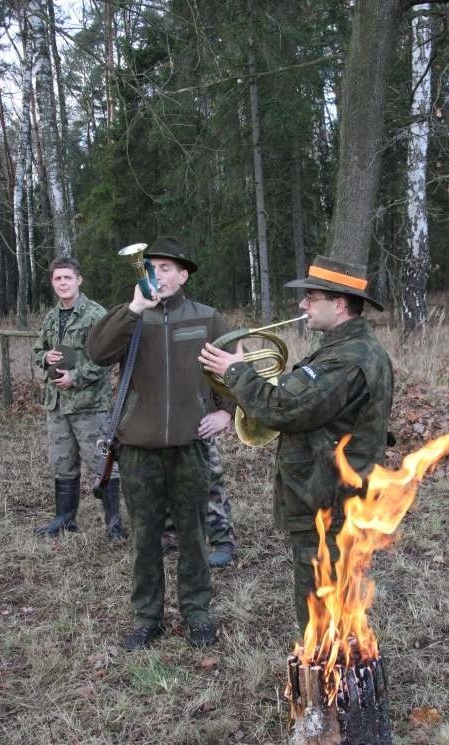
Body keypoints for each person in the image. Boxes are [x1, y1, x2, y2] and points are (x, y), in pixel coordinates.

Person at [199, 255, 394, 633]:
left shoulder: (348, 359)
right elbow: (300, 398)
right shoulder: (343, 348)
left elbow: (285, 407)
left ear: (338, 305)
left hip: (329, 498)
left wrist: (235, 372)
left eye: (311, 297)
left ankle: (330, 678)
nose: (302, 304)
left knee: (323, 598)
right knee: (330, 590)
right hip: (328, 490)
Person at [86, 237, 234, 650]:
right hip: (138, 448)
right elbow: (96, 354)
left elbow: (233, 369)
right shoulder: (130, 317)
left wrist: (227, 411)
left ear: (183, 275)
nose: (159, 274)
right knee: (145, 537)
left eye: (167, 268)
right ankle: (147, 617)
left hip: (190, 445)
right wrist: (134, 309)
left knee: (193, 533)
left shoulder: (207, 318)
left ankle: (197, 613)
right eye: (152, 267)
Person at [33, 257, 126, 541]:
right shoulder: (51, 317)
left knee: (103, 462)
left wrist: (77, 377)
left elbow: (107, 358)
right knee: (62, 462)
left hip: (90, 406)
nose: (63, 283)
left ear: (79, 280)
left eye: (68, 278)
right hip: (58, 404)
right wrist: (44, 357)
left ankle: (113, 524)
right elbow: (39, 350)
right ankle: (64, 519)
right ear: (52, 283)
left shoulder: (96, 314)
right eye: (58, 279)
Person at [162, 437, 237, 567]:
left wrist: (225, 415)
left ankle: (223, 540)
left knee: (207, 475)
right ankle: (168, 533)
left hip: (197, 423)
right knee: (163, 472)